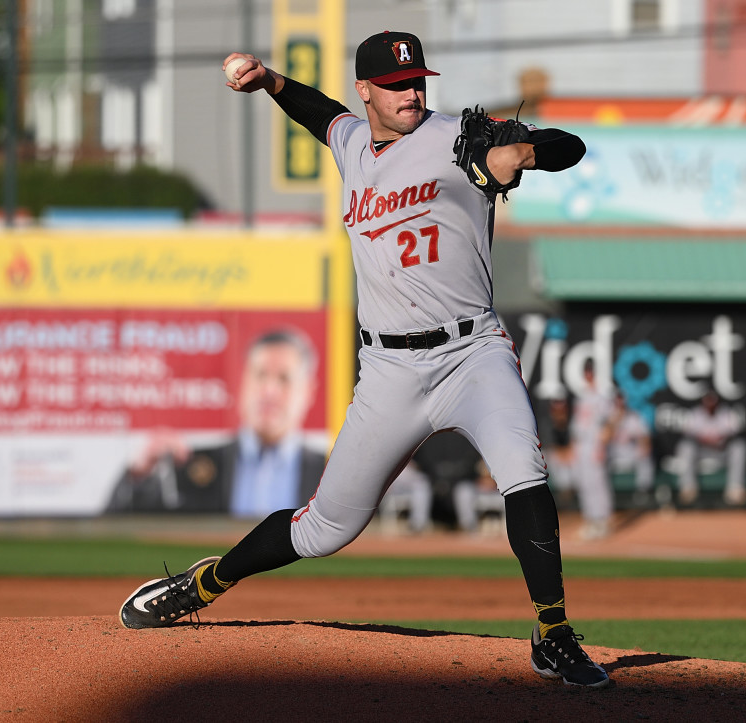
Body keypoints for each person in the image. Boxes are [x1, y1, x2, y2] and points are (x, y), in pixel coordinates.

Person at [119, 31, 612, 689]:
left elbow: (569, 146)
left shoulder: (459, 137)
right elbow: (319, 115)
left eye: (418, 81)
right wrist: (269, 81)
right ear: (367, 91)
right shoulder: (352, 141)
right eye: (398, 84)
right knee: (324, 528)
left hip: (473, 351)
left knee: (524, 471)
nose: (412, 92)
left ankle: (552, 634)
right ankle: (205, 581)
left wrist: (519, 152)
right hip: (388, 370)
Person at [105, 329, 327, 517]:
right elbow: (116, 528)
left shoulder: (331, 473)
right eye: (260, 375)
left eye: (284, 378)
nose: (269, 391)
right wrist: (140, 474)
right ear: (243, 382)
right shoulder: (191, 466)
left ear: (309, 391)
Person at [673, 390, 746, 507]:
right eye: (707, 401)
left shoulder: (726, 413)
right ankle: (688, 488)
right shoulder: (695, 414)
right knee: (686, 447)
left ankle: (735, 489)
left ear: (717, 402)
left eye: (712, 401)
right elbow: (688, 434)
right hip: (702, 453)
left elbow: (735, 433)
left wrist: (719, 439)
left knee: (739, 446)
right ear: (703, 402)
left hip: (722, 452)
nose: (710, 404)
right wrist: (706, 440)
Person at [569, 360, 614, 539]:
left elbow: (608, 424)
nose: (588, 375)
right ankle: (590, 519)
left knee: (598, 483)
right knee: (584, 484)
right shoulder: (582, 397)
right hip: (581, 445)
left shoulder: (601, 397)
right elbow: (577, 426)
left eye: (590, 371)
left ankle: (602, 520)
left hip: (594, 444)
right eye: (586, 372)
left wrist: (602, 446)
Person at [604, 390, 654, 506]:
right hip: (612, 455)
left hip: (629, 454)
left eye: (621, 399)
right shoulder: (607, 417)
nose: (619, 402)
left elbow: (645, 437)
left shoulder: (633, 417)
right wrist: (615, 421)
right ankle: (606, 495)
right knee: (598, 458)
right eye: (617, 399)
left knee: (645, 456)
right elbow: (602, 439)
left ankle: (643, 491)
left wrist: (644, 444)